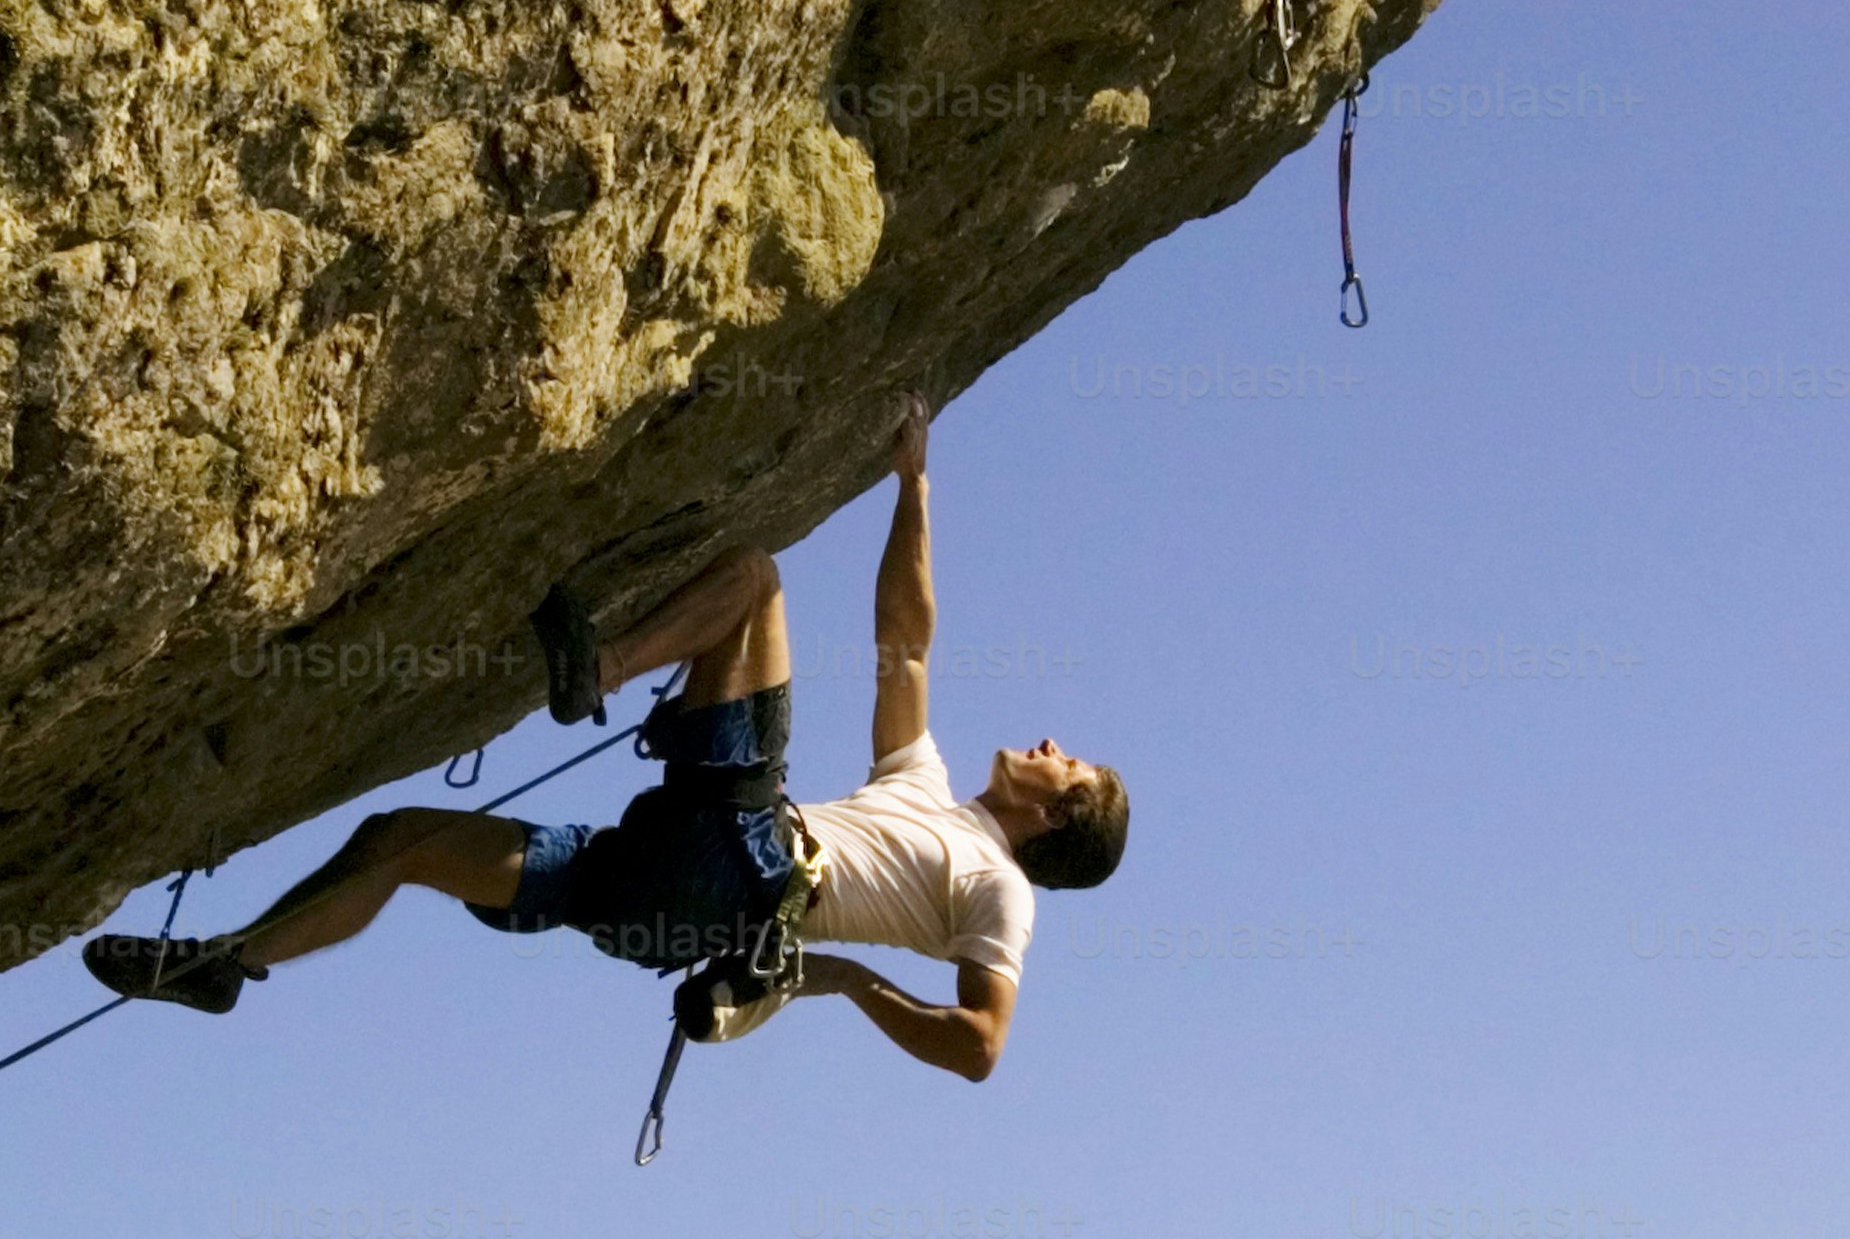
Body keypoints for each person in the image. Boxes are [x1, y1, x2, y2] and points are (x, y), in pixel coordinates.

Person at [83, 403, 1126, 1081]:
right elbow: (903, 646)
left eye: (1065, 762)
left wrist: (849, 982)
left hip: (746, 863)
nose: (1046, 741)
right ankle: (225, 963)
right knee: (395, 838)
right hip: (659, 907)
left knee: (755, 578)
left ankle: (605, 669)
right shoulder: (928, 792)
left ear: (1054, 815)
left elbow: (981, 1046)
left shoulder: (1001, 889)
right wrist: (912, 485)